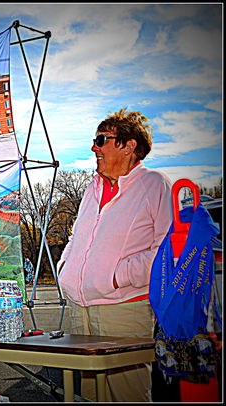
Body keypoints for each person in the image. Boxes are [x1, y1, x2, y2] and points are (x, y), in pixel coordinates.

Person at [57, 108, 172, 402]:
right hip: (78, 309)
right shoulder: (91, 189)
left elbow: (166, 251)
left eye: (102, 140)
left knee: (127, 394)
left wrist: (117, 277)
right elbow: (75, 238)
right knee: (89, 396)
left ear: (129, 145)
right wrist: (65, 269)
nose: (94, 147)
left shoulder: (154, 184)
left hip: (122, 308)